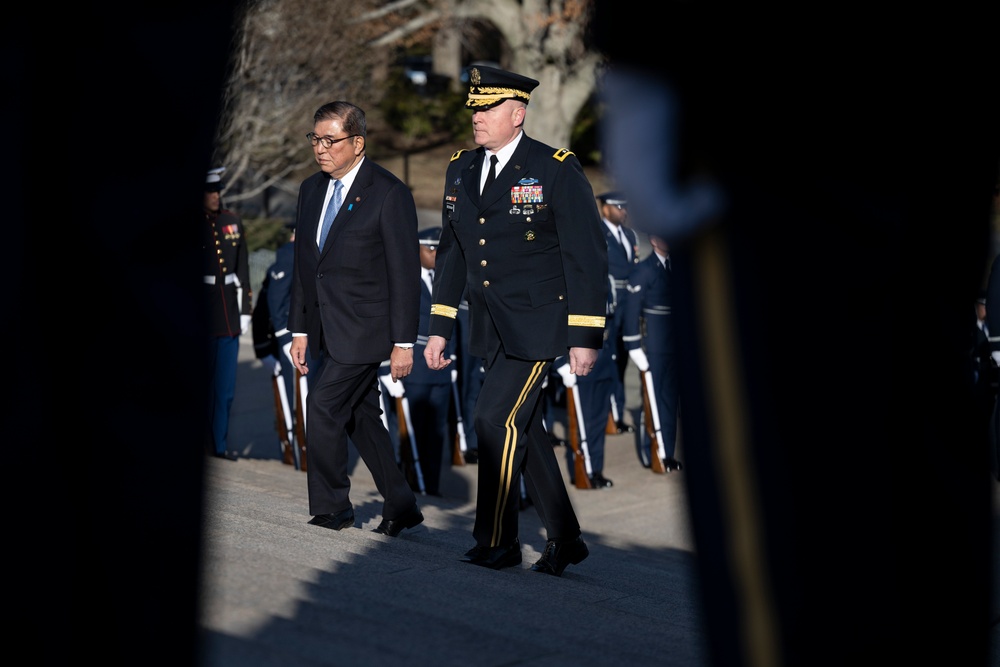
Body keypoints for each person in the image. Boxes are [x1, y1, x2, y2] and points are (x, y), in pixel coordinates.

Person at [593, 4, 998, 664]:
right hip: (924, 98)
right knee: (914, 462)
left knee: (788, 514)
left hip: (768, 95)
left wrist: (647, 54)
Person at [424, 65, 609, 576]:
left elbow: (585, 257)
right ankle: (566, 538)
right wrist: (439, 324)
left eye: (486, 110)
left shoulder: (554, 167)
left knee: (493, 420)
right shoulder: (460, 168)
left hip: (539, 324)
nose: (476, 119)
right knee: (522, 429)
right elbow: (454, 252)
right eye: (475, 110)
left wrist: (585, 336)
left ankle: (498, 540)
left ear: (517, 113)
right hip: (489, 324)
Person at [287, 100, 424, 537]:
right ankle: (401, 504)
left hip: (368, 330)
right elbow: (306, 266)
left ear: (357, 142)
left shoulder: (388, 192)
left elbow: (405, 273)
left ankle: (334, 507)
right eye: (316, 139)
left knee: (324, 406)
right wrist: (301, 328)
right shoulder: (311, 190)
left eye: (331, 140)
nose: (320, 149)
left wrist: (405, 342)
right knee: (361, 416)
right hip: (328, 327)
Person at [401, 226, 455, 496]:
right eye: (429, 249)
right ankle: (406, 482)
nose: (434, 254)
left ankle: (431, 486)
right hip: (414, 369)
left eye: (438, 249)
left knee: (436, 433)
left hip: (442, 370)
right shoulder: (405, 280)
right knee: (410, 432)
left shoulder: (445, 280)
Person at [202, 166, 252, 461]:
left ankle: (218, 445)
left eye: (218, 190)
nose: (215, 196)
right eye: (210, 191)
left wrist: (245, 308)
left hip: (229, 314)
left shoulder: (231, 221)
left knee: (225, 389)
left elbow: (243, 267)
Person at [622, 233, 681, 472]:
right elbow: (631, 311)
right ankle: (653, 453)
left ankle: (667, 452)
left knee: (669, 401)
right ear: (654, 240)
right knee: (653, 401)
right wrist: (633, 345)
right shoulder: (644, 269)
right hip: (654, 347)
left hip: (674, 346)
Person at [557, 273, 618, 488]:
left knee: (599, 419)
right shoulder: (569, 280)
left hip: (604, 355)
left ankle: (596, 468)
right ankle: (584, 470)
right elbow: (556, 324)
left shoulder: (606, 279)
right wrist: (560, 365)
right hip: (579, 360)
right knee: (583, 421)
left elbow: (611, 319)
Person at [597, 191, 639, 435]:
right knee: (609, 360)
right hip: (609, 306)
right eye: (617, 207)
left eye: (625, 207)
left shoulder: (630, 235)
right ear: (605, 209)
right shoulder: (598, 234)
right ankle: (609, 415)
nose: (623, 211)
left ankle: (617, 412)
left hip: (628, 306)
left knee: (622, 360)